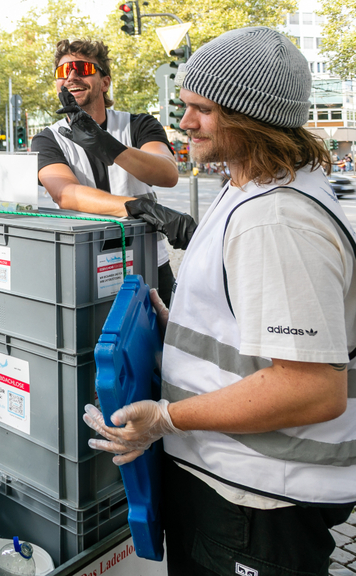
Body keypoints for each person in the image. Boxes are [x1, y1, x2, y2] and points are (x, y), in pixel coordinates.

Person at [83, 26, 356, 576]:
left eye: (202, 109)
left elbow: (311, 388)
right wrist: (177, 321)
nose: (184, 123)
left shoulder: (274, 218)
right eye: (185, 105)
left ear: (251, 116)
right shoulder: (248, 186)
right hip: (240, 490)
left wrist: (166, 417)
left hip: (255, 504)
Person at [31, 38, 195, 307]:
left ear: (104, 82)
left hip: (149, 261)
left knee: (166, 343)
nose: (71, 76)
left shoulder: (139, 124)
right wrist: (140, 208)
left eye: (82, 69)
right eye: (63, 72)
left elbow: (167, 174)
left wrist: (107, 144)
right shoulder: (48, 139)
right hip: (85, 266)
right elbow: (65, 193)